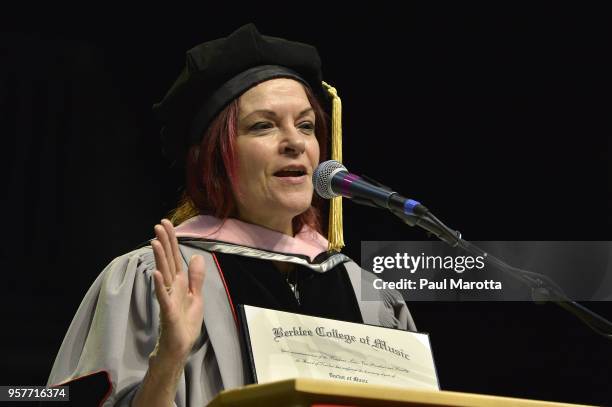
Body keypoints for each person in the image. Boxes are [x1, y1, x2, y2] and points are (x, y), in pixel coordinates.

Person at [47, 24, 416, 406]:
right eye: (263, 126)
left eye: (306, 126)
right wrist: (168, 359)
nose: (295, 142)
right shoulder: (154, 279)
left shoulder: (366, 292)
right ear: (216, 159)